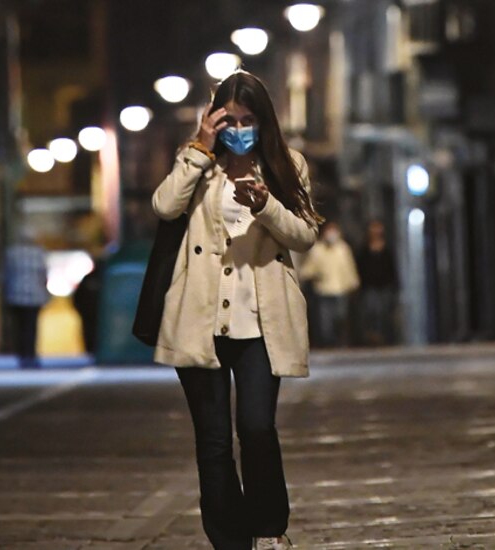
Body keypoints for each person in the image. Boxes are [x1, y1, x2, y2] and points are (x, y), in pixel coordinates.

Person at [151, 71, 321, 550]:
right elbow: (164, 206)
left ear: (263, 121)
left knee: (257, 428)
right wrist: (200, 147)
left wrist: (266, 204)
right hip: (200, 321)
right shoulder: (200, 165)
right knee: (213, 441)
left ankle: (268, 528)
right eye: (230, 120)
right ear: (214, 120)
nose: (240, 129)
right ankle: (229, 541)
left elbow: (304, 236)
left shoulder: (288, 166)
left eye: (249, 120)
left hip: (260, 323)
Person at [300, 221, 359, 348]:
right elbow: (309, 268)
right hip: (323, 290)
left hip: (340, 289)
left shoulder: (343, 249)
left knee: (340, 317)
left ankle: (340, 341)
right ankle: (328, 343)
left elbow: (349, 267)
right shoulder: (317, 249)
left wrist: (353, 284)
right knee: (325, 320)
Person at [3, 227, 50, 368]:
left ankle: (22, 354)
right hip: (35, 296)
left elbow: (5, 275)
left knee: (18, 327)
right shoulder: (39, 253)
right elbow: (44, 275)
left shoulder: (11, 254)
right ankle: (31, 354)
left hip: (15, 296)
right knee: (32, 327)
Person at [356, 220, 398, 345]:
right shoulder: (364, 250)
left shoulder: (387, 249)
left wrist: (394, 285)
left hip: (385, 287)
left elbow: (392, 268)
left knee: (384, 313)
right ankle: (372, 337)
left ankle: (384, 337)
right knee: (371, 313)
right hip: (369, 287)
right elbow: (360, 268)